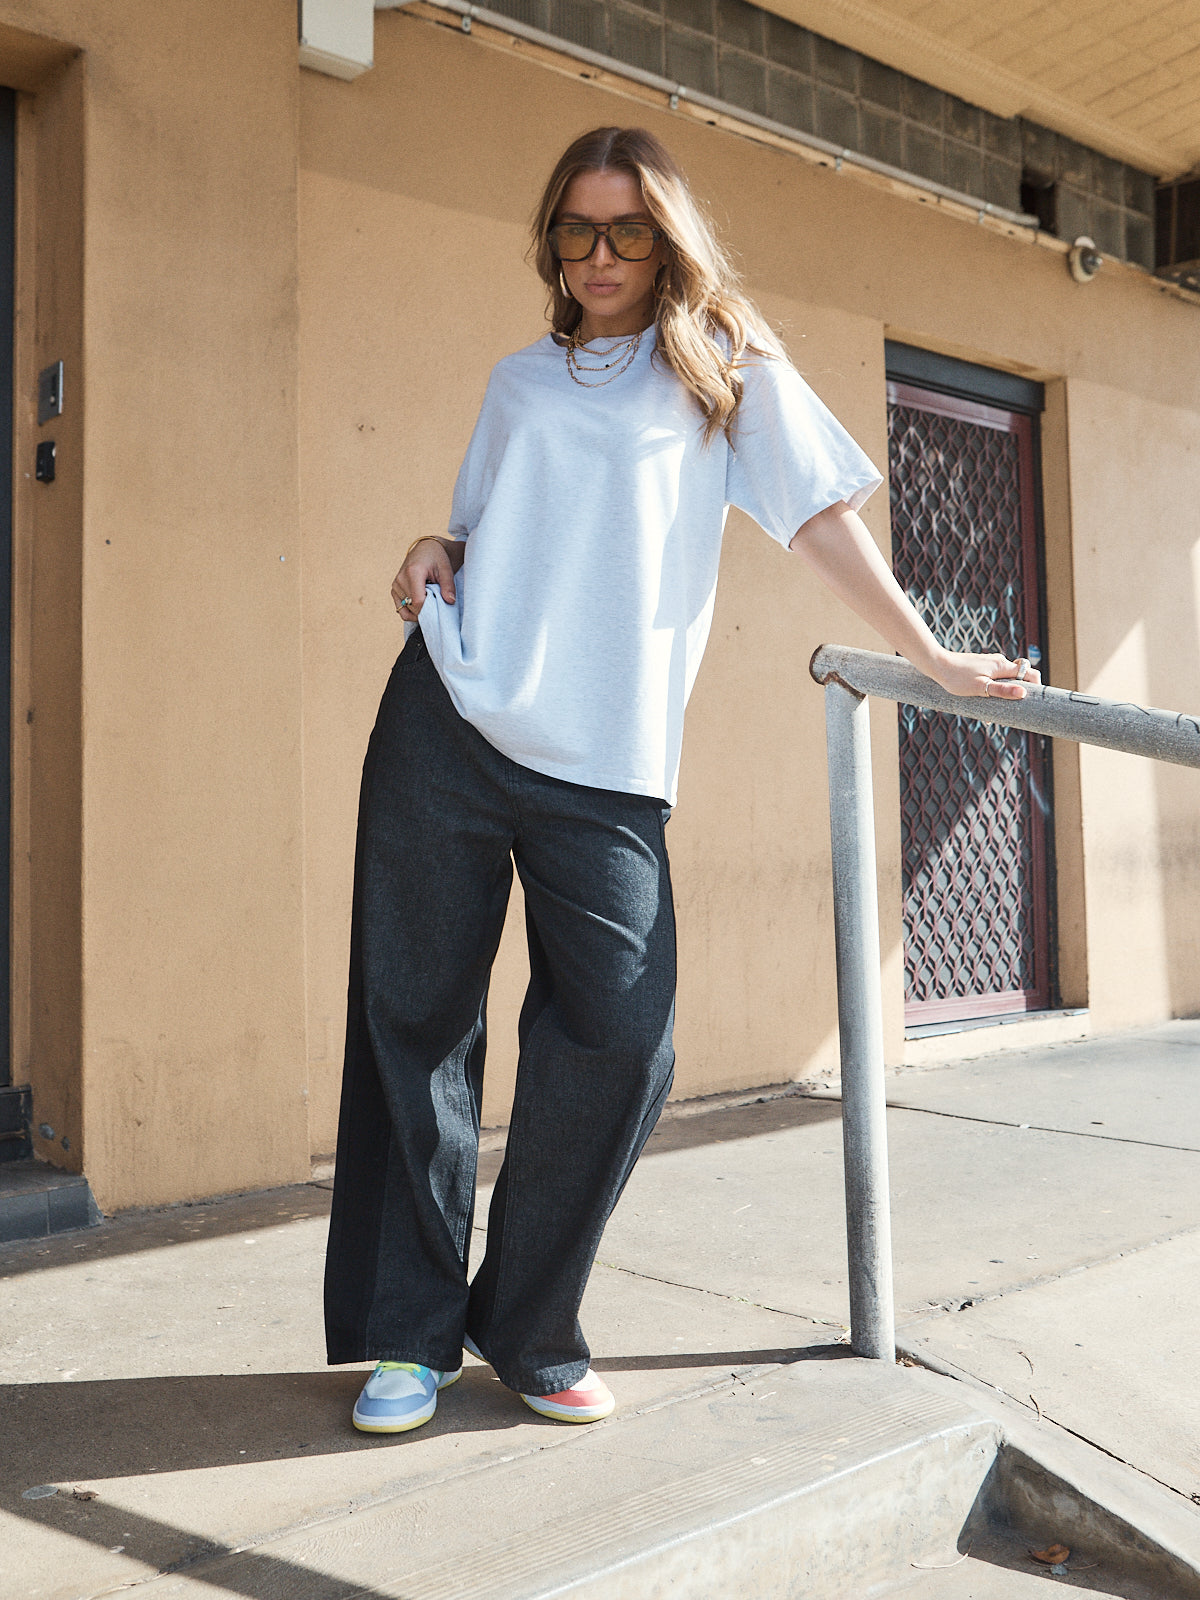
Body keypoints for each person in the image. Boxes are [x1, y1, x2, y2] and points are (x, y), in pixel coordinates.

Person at [323, 124, 1039, 1436]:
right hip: (449, 722)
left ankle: (528, 1321)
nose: (599, 256)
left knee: (623, 1036)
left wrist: (925, 651)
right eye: (577, 231)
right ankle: (410, 1337)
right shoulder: (518, 381)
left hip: (605, 763)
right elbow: (489, 533)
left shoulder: (726, 372)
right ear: (553, 242)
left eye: (628, 231)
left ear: (667, 240)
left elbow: (818, 516)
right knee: (414, 1021)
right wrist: (438, 543)